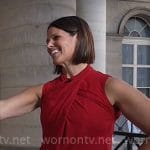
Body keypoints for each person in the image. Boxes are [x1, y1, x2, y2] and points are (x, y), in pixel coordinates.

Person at [0, 16, 150, 150]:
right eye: (47, 41)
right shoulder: (43, 91)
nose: (49, 45)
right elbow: (3, 108)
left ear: (78, 38)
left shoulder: (110, 86)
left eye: (55, 37)